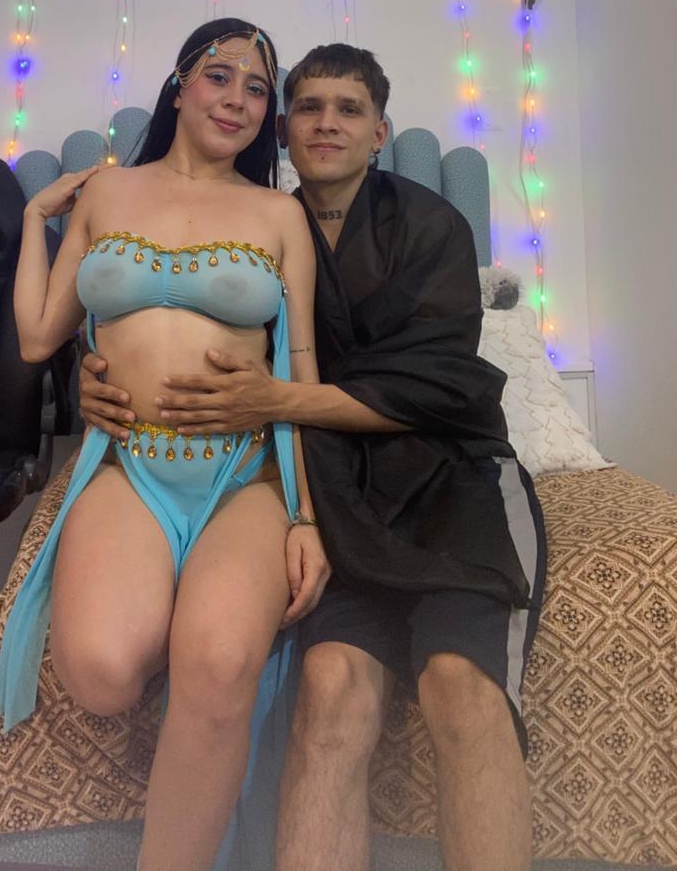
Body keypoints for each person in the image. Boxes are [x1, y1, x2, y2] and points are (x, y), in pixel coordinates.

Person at [81, 43, 547, 871]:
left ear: (380, 132)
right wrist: (99, 373)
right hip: (335, 489)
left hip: (450, 482)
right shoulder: (265, 226)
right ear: (284, 129)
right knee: (329, 689)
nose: (327, 123)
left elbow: (440, 389)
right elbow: (186, 321)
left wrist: (277, 402)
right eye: (309, 106)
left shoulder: (433, 226)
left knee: (459, 688)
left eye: (350, 109)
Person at [0, 18, 330, 871]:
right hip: (130, 464)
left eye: (257, 89)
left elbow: (303, 368)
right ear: (181, 85)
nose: (237, 100)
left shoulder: (280, 213)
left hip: (245, 475)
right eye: (220, 76)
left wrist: (307, 516)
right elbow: (37, 336)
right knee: (102, 673)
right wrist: (33, 217)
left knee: (216, 662)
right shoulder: (107, 193)